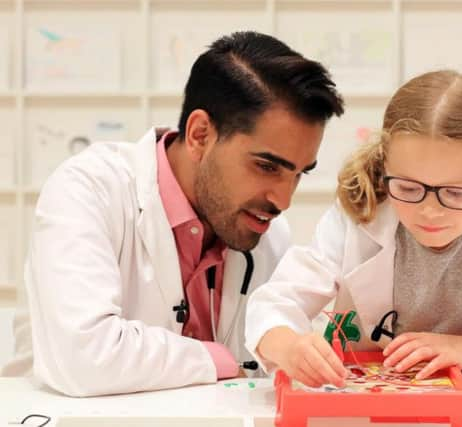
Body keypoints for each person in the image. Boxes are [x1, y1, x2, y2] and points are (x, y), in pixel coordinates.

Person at [1, 31, 344, 397]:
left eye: (299, 173)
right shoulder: (88, 190)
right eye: (266, 166)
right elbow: (83, 356)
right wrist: (221, 359)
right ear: (199, 134)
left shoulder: (268, 232)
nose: (284, 200)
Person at [245, 70, 462, 392]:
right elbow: (275, 302)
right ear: (386, 164)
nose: (430, 210)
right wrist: (287, 344)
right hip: (376, 399)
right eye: (409, 188)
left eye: (457, 193)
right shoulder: (362, 207)